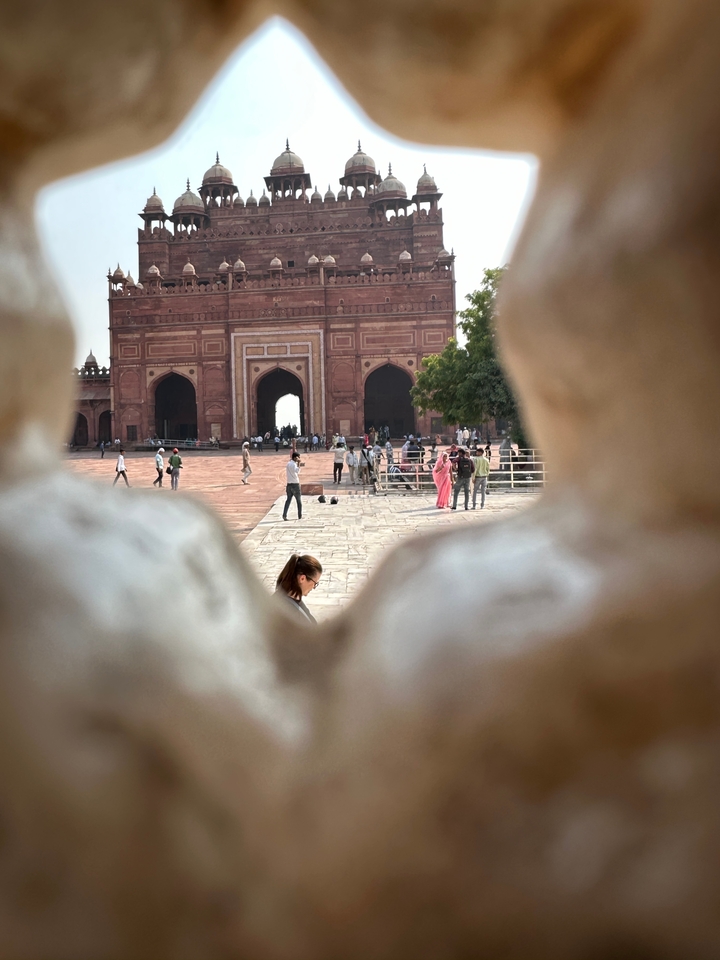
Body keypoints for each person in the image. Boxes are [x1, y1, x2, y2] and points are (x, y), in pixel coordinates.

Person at [275, 553, 322, 624]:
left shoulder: (287, 599)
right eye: (315, 583)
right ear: (302, 578)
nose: (313, 587)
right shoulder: (288, 612)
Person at [282, 451, 303, 520]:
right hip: (295, 484)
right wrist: (299, 463)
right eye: (298, 457)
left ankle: (284, 514)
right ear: (295, 457)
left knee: (288, 500)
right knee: (298, 501)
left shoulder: (288, 463)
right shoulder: (294, 464)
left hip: (289, 484)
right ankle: (299, 515)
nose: (299, 459)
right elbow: (297, 471)